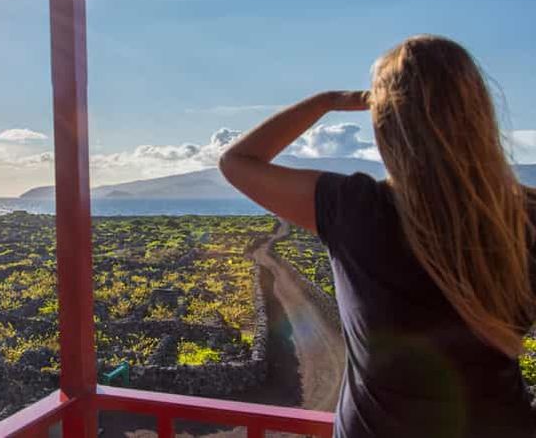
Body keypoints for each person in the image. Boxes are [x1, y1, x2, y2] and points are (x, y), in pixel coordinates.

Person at [219, 35, 536, 438]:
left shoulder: (357, 208)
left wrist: (328, 100)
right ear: (479, 113)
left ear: (384, 124)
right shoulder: (525, 216)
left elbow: (236, 162)